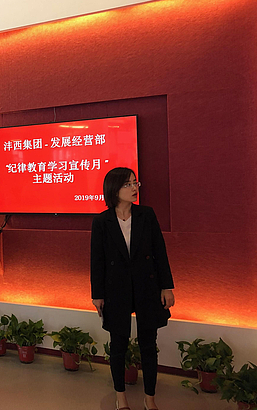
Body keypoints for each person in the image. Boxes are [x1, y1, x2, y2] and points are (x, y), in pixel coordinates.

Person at [90, 167, 175, 410]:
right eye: (128, 184)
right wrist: (97, 295)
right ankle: (121, 397)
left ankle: (150, 398)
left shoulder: (146, 215)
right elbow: (97, 261)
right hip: (116, 290)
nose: (134, 188)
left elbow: (160, 252)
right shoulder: (102, 221)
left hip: (147, 286)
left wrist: (166, 287)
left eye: (135, 183)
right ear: (114, 189)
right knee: (118, 346)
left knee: (149, 345)